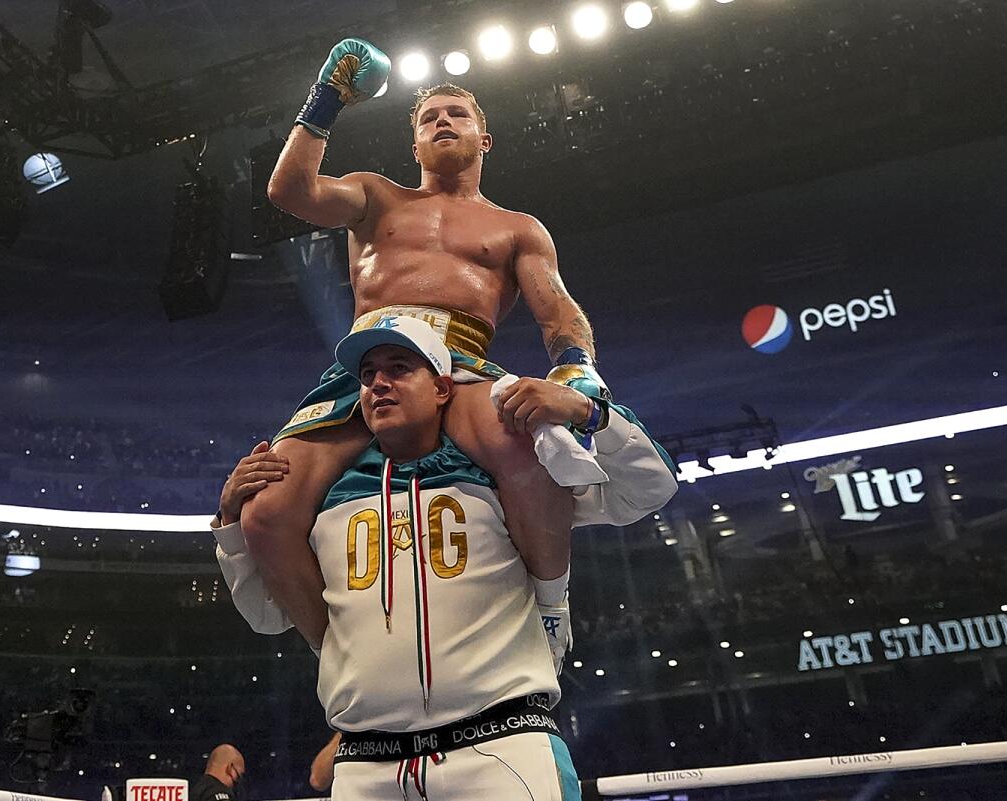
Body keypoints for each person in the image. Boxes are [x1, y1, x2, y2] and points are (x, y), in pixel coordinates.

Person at [237, 38, 611, 650]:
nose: (442, 121)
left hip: (457, 363)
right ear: (413, 144)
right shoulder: (373, 195)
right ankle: (332, 650)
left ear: (483, 141)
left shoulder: (517, 228)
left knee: (526, 456)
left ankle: (551, 604)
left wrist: (577, 368)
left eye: (456, 115)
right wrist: (327, 99)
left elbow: (557, 309)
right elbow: (291, 193)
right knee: (266, 513)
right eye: (428, 117)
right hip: (370, 360)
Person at [213, 316, 677, 800]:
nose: (378, 383)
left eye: (399, 368)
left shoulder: (508, 478)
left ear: (441, 388)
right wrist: (230, 523)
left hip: (501, 748)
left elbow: (650, 488)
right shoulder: (325, 505)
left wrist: (588, 411)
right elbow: (267, 617)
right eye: (368, 374)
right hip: (364, 767)